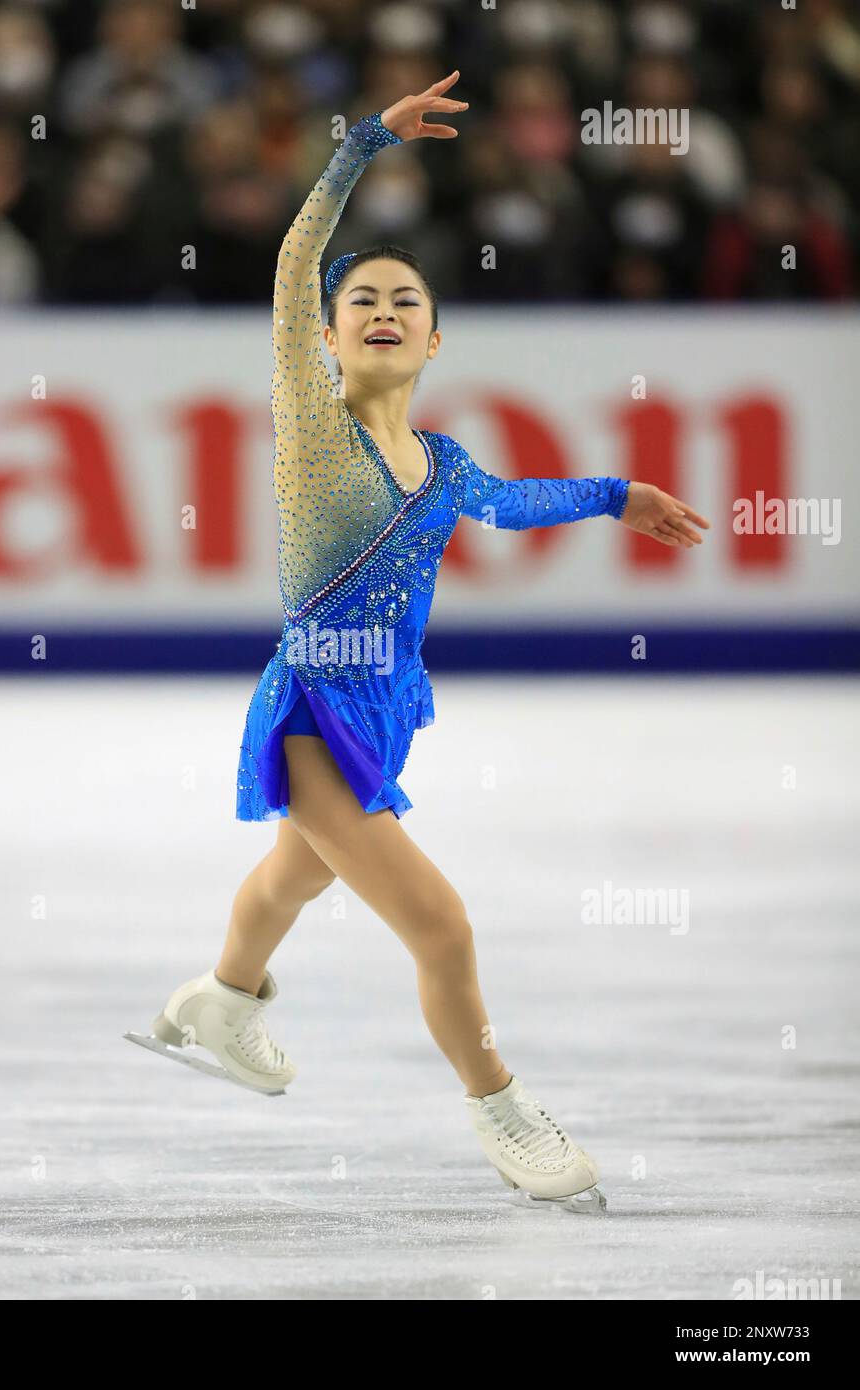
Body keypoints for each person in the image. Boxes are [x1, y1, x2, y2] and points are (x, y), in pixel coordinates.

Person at [144, 72, 710, 1210]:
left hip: (386, 709)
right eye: (363, 303)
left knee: (290, 878)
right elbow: (295, 262)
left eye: (405, 299)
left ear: (437, 338)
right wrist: (360, 146)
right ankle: (504, 1112)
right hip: (312, 708)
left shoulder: (444, 465)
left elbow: (505, 503)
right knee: (442, 927)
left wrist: (614, 493)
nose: (383, 310)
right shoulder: (315, 427)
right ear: (330, 337)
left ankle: (216, 998)